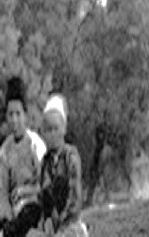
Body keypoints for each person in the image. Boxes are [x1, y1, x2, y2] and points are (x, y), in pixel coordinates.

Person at [35, 95, 87, 237]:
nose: (52, 134)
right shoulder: (45, 162)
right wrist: (47, 219)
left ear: (63, 129)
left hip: (71, 222)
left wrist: (64, 220)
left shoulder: (71, 156)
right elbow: (44, 195)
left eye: (55, 129)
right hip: (53, 226)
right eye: (48, 130)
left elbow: (74, 194)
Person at [0, 76, 46, 237]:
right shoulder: (5, 150)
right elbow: (3, 190)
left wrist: (24, 191)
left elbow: (46, 185)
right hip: (14, 210)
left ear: (25, 115)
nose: (14, 120)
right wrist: (7, 216)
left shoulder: (35, 145)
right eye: (10, 114)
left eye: (18, 114)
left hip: (33, 206)